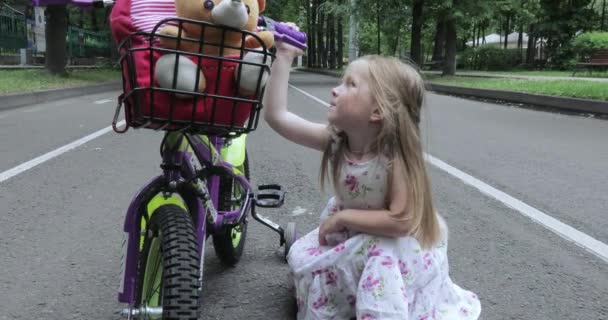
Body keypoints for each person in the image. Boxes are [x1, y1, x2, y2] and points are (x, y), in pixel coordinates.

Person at [263, 27, 481, 320]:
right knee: (314, 264)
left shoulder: (396, 156)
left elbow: (401, 221)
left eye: (350, 84)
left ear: (377, 111)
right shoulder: (337, 140)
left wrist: (341, 217)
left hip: (393, 244)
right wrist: (284, 57)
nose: (335, 89)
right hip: (354, 236)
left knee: (381, 265)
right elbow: (278, 117)